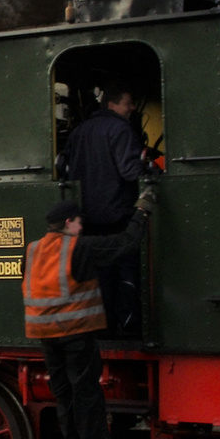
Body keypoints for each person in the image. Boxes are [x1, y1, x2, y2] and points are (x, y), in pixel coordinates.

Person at [23, 193, 156, 439]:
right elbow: (126, 243)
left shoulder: (31, 250)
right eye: (80, 222)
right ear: (68, 222)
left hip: (46, 338)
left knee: (64, 398)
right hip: (76, 336)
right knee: (87, 399)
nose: (82, 227)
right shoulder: (78, 248)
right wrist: (142, 211)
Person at [59, 82, 150, 334]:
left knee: (99, 279)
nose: (131, 108)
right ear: (112, 104)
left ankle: (102, 327)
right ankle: (126, 326)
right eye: (127, 103)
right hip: (117, 219)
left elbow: (64, 168)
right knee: (126, 275)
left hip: (86, 221)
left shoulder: (79, 132)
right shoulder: (121, 130)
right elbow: (131, 171)